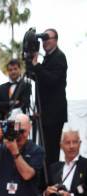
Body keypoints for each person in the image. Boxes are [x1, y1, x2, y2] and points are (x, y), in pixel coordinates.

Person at [31, 28, 67, 167]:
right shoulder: (47, 58)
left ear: (55, 40)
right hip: (45, 112)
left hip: (54, 113)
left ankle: (51, 181)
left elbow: (52, 80)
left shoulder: (59, 57)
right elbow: (41, 79)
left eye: (48, 38)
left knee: (51, 150)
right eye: (43, 39)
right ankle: (44, 181)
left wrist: (37, 66)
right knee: (44, 149)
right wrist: (32, 64)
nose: (45, 42)